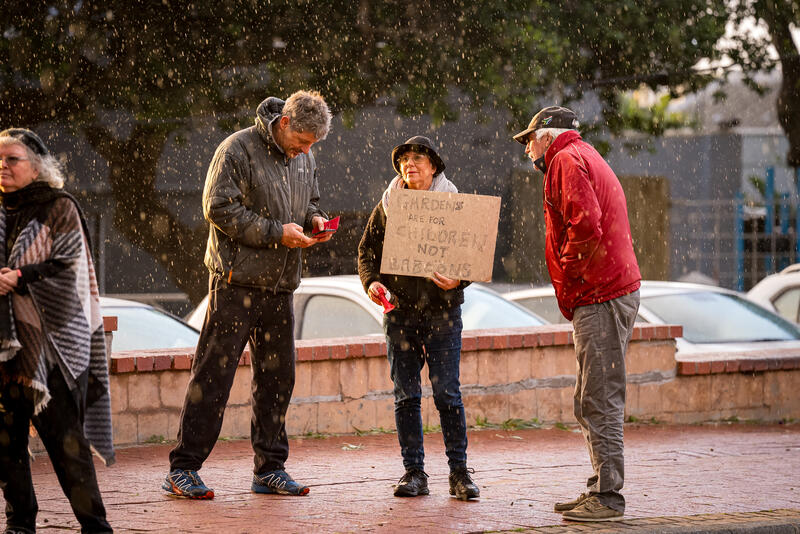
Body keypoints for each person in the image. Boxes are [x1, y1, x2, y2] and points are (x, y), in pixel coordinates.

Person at [163, 90, 333, 499]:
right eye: (303, 141)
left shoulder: (304, 156)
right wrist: (278, 233)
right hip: (234, 283)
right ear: (285, 123)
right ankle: (182, 468)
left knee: (278, 379)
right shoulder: (236, 148)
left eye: (313, 145)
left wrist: (314, 219)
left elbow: (308, 199)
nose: (306, 151)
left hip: (280, 285)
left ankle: (270, 468)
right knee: (213, 376)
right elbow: (217, 208)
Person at [513, 107, 641, 522]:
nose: (527, 147)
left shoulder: (565, 160)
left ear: (548, 137)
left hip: (600, 293)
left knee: (598, 396)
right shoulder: (580, 154)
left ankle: (607, 497)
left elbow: (586, 226)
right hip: (604, 290)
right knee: (591, 396)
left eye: (530, 139)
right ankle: (600, 487)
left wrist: (568, 276)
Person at [0, 128, 114, 533]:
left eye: (12, 159)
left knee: (66, 445)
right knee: (6, 443)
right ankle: (19, 524)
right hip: (4, 348)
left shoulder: (58, 207)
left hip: (51, 348)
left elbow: (71, 270)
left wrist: (20, 276)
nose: (3, 166)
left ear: (37, 166)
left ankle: (95, 525)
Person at [357, 136, 480, 500]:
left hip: (443, 314)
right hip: (400, 315)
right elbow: (366, 252)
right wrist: (372, 284)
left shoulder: (454, 204)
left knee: (447, 395)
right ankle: (414, 473)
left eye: (418, 158)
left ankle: (459, 473)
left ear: (434, 166)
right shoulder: (388, 205)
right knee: (406, 396)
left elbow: (474, 253)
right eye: (404, 160)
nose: (409, 164)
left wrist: (460, 279)